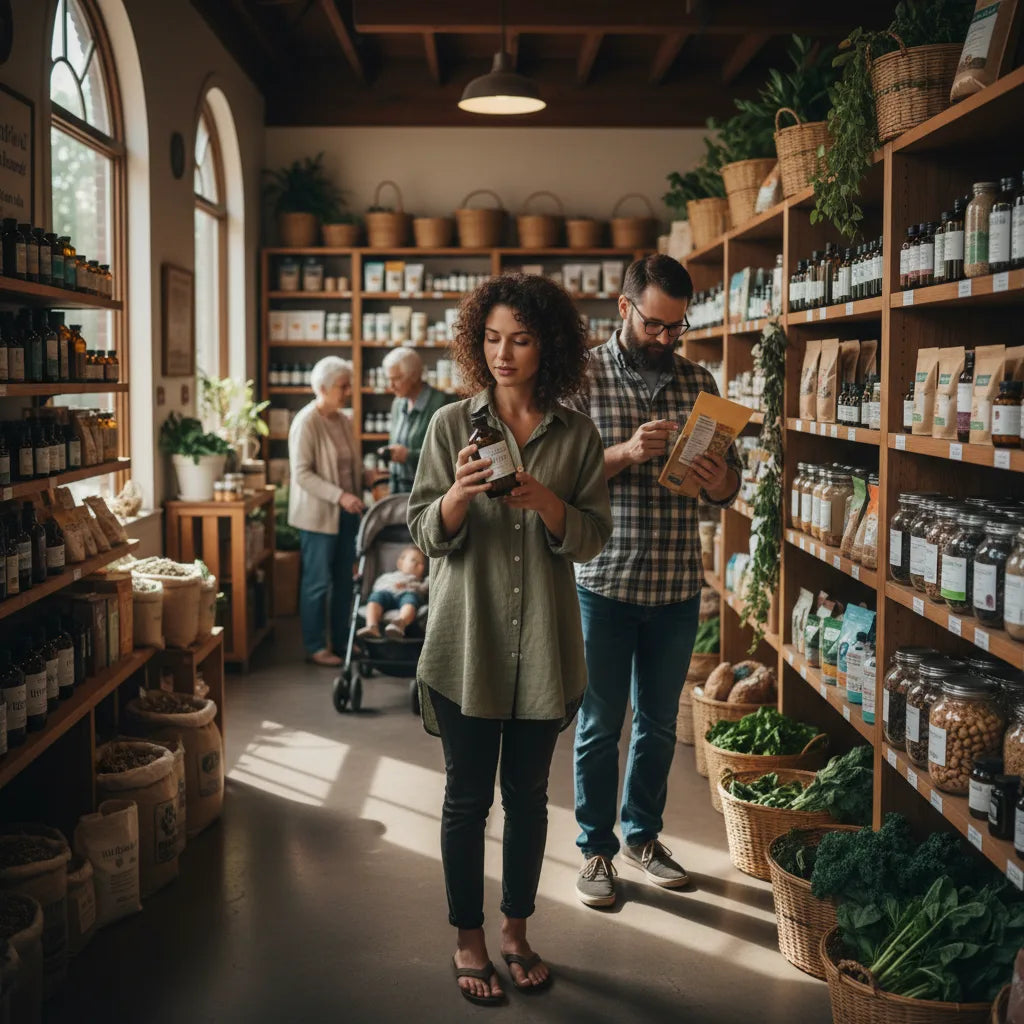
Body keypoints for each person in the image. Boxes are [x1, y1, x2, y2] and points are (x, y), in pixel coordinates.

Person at [409, 273, 612, 1006]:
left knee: (528, 798)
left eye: (520, 340)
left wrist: (551, 503)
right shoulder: (449, 427)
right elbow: (423, 530)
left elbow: (592, 538)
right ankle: (468, 939)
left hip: (547, 651)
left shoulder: (577, 435)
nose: (504, 353)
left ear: (547, 346)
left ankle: (516, 932)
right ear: (476, 342)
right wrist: (459, 496)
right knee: (467, 799)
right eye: (492, 338)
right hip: (467, 645)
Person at [570, 254, 743, 908]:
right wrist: (624, 453)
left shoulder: (699, 381)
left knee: (659, 724)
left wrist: (717, 480)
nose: (667, 339)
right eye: (655, 325)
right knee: (598, 724)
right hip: (603, 583)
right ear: (624, 308)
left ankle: (643, 836)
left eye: (677, 328)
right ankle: (595, 849)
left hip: (675, 587)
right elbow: (559, 480)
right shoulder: (581, 378)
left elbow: (731, 487)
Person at [287, 356, 380, 667]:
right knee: (316, 582)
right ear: (323, 388)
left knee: (344, 579)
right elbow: (302, 474)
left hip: (346, 513)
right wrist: (340, 495)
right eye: (343, 386)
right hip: (318, 516)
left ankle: (343, 641)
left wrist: (363, 477)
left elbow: (346, 464)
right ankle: (315, 646)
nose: (349, 391)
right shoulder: (306, 422)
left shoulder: (342, 420)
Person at [381, 347, 449, 493]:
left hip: (428, 492)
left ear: (414, 375)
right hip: (399, 491)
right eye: (389, 379)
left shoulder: (440, 404)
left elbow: (449, 454)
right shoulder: (398, 404)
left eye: (397, 379)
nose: (391, 386)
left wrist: (409, 456)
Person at [355, 544, 428, 640]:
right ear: (400, 563)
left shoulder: (420, 581)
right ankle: (372, 626)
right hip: (386, 593)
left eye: (423, 563)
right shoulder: (388, 576)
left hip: (407, 593)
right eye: (414, 560)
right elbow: (378, 585)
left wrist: (408, 586)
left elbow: (425, 589)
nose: (420, 565)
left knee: (410, 601)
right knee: (375, 597)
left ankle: (400, 623)